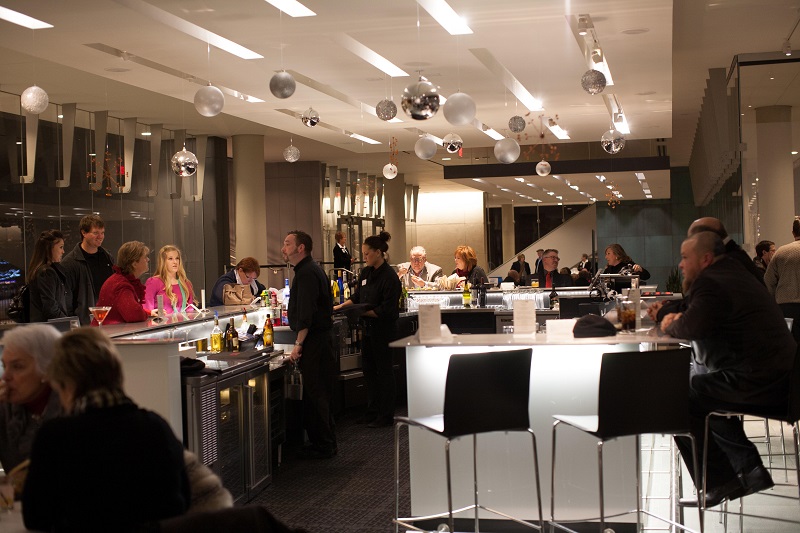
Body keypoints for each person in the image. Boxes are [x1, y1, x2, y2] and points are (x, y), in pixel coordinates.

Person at [661, 232, 795, 508]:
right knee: (699, 388)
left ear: (706, 258)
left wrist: (669, 324)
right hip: (784, 375)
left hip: (764, 381)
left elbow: (691, 327)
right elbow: (700, 318)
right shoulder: (734, 274)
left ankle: (725, 480)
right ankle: (748, 469)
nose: (681, 265)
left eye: (686, 258)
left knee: (677, 398)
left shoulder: (711, 281)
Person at [22, 327, 190, 531]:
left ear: (68, 384)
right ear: (117, 373)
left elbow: (36, 518)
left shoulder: (56, 437)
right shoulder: (156, 427)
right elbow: (183, 502)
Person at [335, 231, 401, 428]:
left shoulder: (390, 277)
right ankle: (372, 411)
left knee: (385, 373)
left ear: (379, 253)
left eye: (367, 254)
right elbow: (357, 297)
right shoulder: (365, 273)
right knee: (369, 372)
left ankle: (386, 415)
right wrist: (339, 307)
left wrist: (363, 312)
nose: (364, 258)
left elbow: (387, 310)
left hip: (384, 330)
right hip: (368, 330)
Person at [281, 230, 337, 459]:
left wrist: (298, 345)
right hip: (320, 339)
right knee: (318, 392)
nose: (283, 248)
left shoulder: (306, 274)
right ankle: (323, 442)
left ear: (300, 248)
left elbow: (306, 314)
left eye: (287, 244)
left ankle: (324, 445)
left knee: (316, 393)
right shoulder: (311, 270)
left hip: (314, 340)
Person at [0, 324, 62, 474]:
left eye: (18, 366)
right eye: (4, 366)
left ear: (47, 369)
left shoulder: (75, 408)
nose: (5, 377)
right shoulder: (4, 406)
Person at [61, 214, 115, 325]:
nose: (100, 237)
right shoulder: (70, 263)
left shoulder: (107, 257)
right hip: (85, 324)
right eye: (95, 233)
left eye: (102, 233)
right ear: (83, 233)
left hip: (109, 321)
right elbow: (67, 301)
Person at [95, 241, 158, 325]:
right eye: (145, 257)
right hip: (110, 335)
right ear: (134, 264)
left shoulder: (120, 279)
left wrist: (148, 313)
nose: (148, 259)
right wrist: (145, 313)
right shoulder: (122, 285)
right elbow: (134, 314)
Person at [764, 219, 800, 344]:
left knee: (790, 346)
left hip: (786, 308)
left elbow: (768, 281)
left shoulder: (781, 252)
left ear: (793, 233)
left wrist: (775, 300)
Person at [27, 229, 71, 322]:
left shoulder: (43, 270)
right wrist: (69, 323)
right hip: (48, 329)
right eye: (61, 247)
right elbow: (50, 308)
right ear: (49, 248)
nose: (63, 251)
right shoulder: (46, 272)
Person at [145, 245, 196, 314]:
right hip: (162, 323)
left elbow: (190, 310)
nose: (175, 262)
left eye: (177, 258)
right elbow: (147, 309)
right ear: (163, 261)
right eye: (170, 259)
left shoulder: (185, 283)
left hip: (183, 323)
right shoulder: (154, 282)